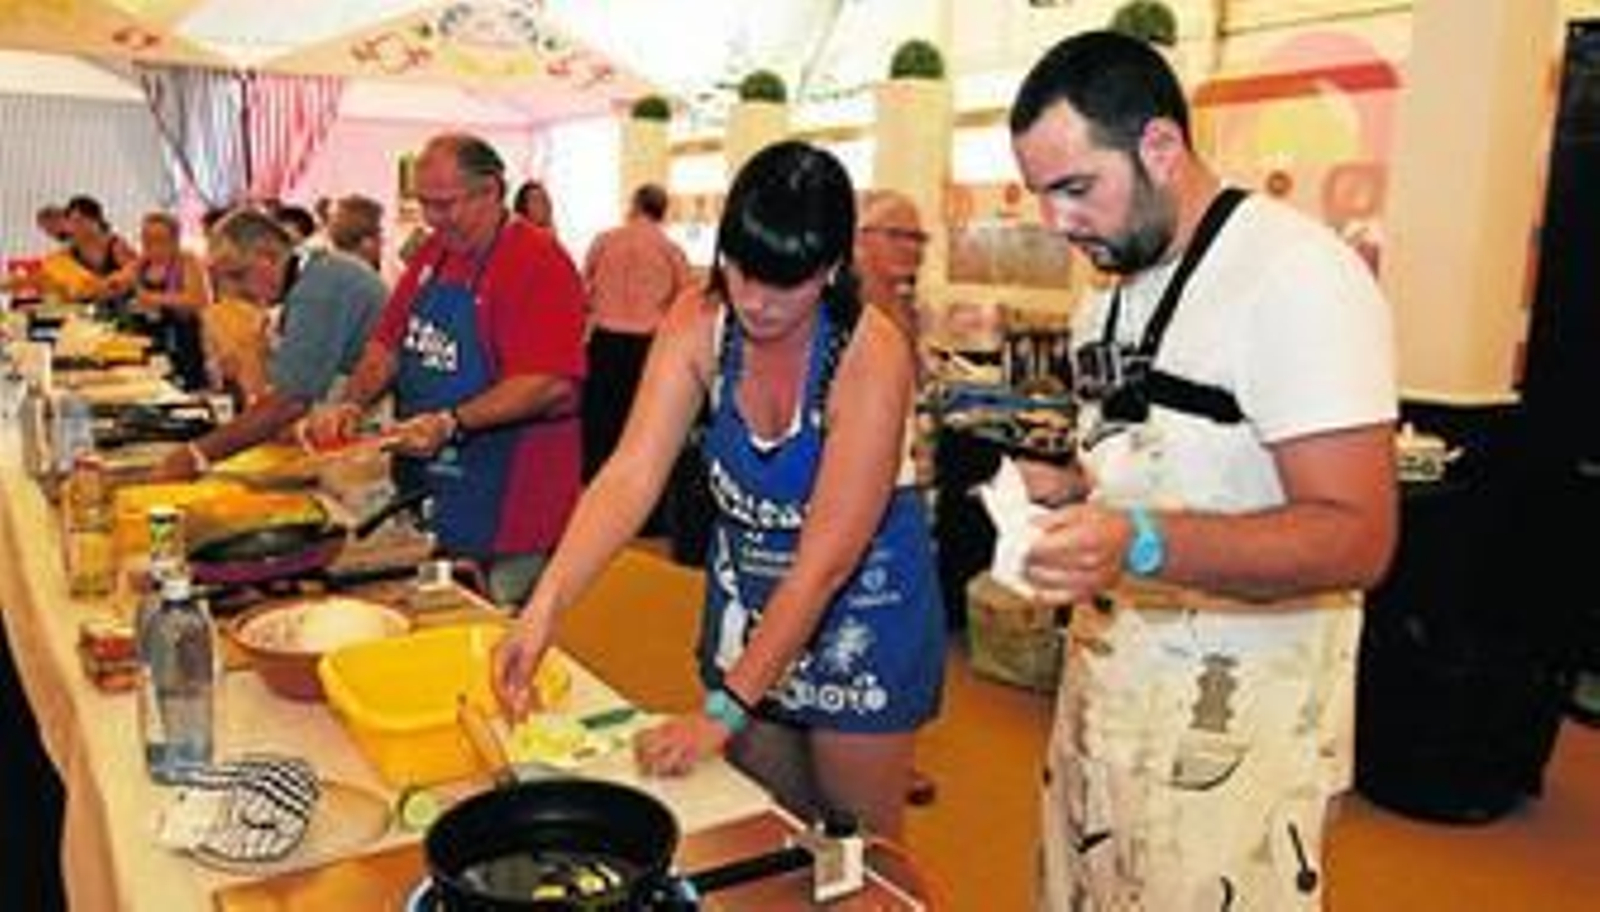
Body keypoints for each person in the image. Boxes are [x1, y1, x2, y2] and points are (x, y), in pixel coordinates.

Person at [1006, 31, 1398, 911]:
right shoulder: (1105, 292)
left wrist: (1139, 542)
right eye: (1043, 194)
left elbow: (1358, 535)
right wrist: (1070, 491)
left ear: (1160, 146)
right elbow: (1149, 462)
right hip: (1103, 705)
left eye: (1076, 188)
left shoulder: (1297, 278)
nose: (1057, 222)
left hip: (1240, 744)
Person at [491, 141, 946, 839]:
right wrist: (543, 608)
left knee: (855, 843)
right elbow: (632, 472)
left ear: (831, 269)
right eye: (741, 270)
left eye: (784, 284)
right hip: (752, 593)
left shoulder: (868, 353)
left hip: (864, 601)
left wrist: (724, 709)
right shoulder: (699, 321)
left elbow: (825, 565)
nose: (756, 301)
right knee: (770, 825)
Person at [305, 133, 586, 606]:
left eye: (445, 204)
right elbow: (387, 345)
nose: (433, 218)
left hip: (511, 498)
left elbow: (548, 384)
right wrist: (351, 402)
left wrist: (451, 422)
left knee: (496, 623)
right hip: (431, 487)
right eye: (424, 204)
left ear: (491, 191)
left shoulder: (538, 261)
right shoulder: (435, 252)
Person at [152, 207, 386, 479]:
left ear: (268, 258)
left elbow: (289, 402)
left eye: (238, 275)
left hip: (373, 433)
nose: (234, 291)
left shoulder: (321, 287)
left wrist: (196, 454)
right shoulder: (309, 278)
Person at [580, 181, 692, 483]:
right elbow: (687, 302)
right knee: (641, 429)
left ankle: (595, 490)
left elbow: (584, 291)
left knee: (600, 428)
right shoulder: (670, 250)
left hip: (604, 342)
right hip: (647, 345)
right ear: (663, 211)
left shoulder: (604, 241)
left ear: (634, 206)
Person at [116, 211, 213, 391]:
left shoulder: (187, 261)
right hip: (149, 341)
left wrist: (152, 298)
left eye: (159, 239)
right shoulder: (142, 263)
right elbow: (114, 285)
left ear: (175, 240)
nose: (152, 245)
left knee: (184, 388)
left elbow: (199, 300)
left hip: (182, 344)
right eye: (146, 239)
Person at [37, 195, 137, 305]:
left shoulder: (116, 246)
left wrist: (112, 284)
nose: (75, 227)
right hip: (89, 306)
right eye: (72, 222)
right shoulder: (71, 251)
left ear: (96, 221)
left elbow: (136, 273)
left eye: (80, 221)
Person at [325, 194, 386, 272]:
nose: (382, 242)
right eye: (378, 234)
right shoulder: (363, 276)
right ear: (366, 243)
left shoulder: (327, 268)